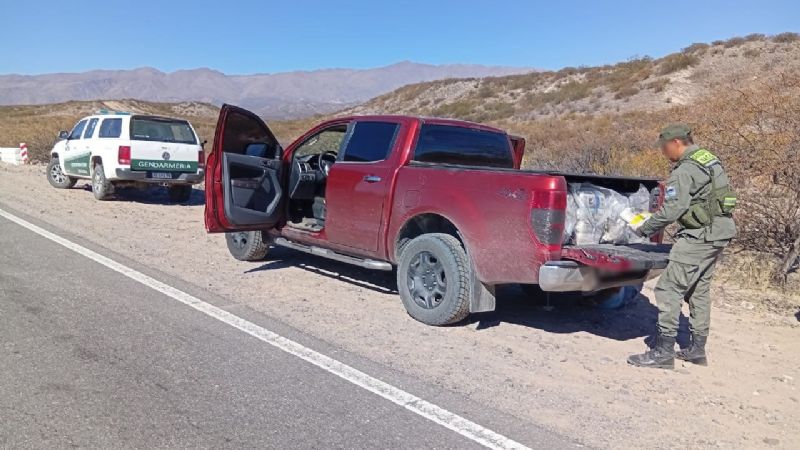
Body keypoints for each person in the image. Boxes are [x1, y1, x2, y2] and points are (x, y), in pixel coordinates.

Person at [627, 124, 737, 369]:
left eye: (665, 148)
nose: (664, 153)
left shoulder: (685, 170)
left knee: (668, 289)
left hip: (699, 236)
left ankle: (663, 353)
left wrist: (645, 227)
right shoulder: (708, 160)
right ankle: (697, 350)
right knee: (698, 289)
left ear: (676, 142)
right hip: (718, 232)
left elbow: (674, 209)